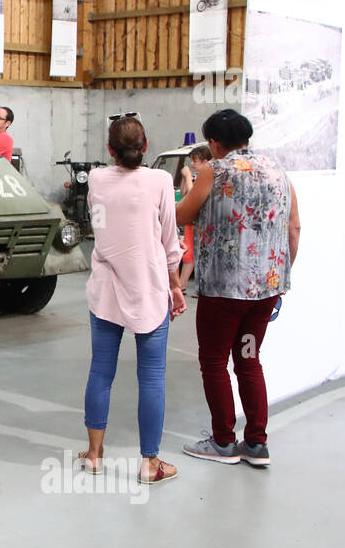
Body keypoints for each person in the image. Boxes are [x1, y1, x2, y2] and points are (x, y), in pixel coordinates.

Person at [176, 109, 301, 468]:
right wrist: (280, 276)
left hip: (224, 290)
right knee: (248, 360)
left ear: (215, 144)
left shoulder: (213, 171)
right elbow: (294, 228)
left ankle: (223, 441)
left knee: (214, 361)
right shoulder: (279, 171)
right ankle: (257, 443)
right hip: (266, 289)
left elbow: (183, 215)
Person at [80, 116, 186, 485]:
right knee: (152, 378)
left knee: (101, 372)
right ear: (146, 146)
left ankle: (94, 454)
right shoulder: (160, 181)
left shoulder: (95, 179)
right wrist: (175, 286)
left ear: (109, 149)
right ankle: (150, 464)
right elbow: (170, 242)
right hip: (149, 288)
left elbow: (100, 225)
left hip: (107, 288)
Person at [176, 145, 211, 293]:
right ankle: (181, 285)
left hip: (201, 223)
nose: (192, 164)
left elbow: (192, 195)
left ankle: (183, 285)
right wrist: (185, 178)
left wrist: (189, 177)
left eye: (195, 160)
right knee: (189, 254)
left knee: (197, 255)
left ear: (204, 161)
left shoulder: (207, 176)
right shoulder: (197, 176)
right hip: (192, 222)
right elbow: (184, 193)